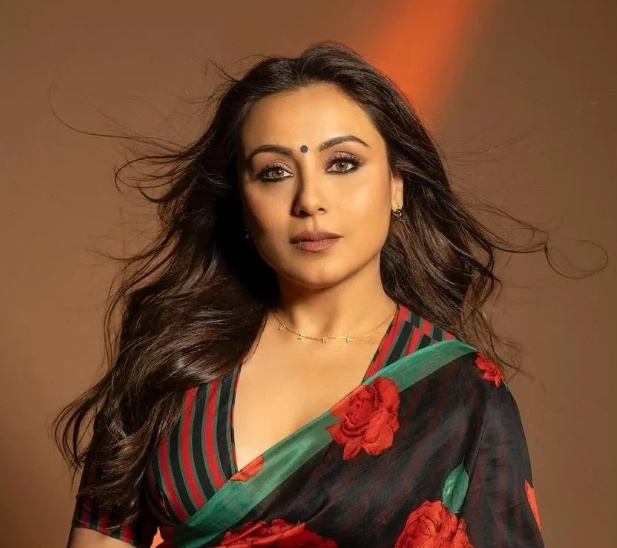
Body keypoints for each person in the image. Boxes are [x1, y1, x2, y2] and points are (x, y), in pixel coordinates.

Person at [56, 41, 547, 547]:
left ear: (397, 182)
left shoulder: (461, 391)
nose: (310, 200)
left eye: (343, 164)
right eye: (274, 172)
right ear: (241, 201)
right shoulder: (173, 352)